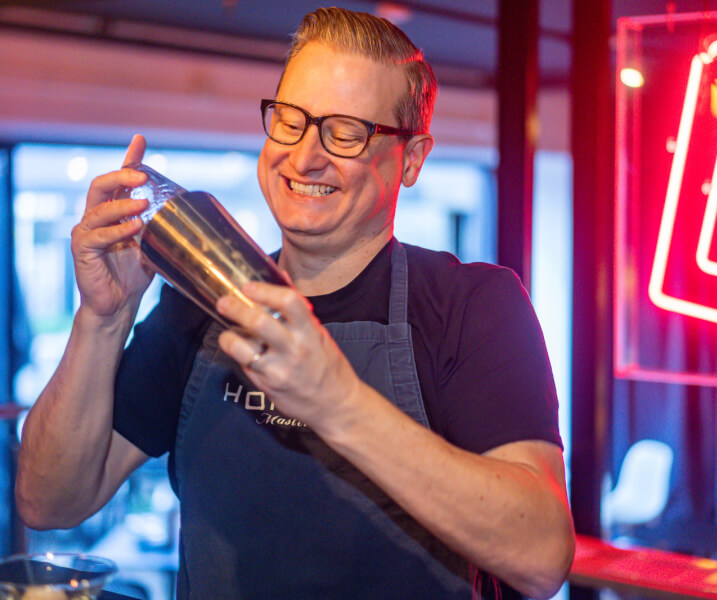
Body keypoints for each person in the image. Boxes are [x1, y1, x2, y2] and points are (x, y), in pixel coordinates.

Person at [16, 7, 574, 599]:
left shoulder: (471, 306)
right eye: (290, 120)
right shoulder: (197, 305)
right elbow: (49, 501)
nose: (305, 156)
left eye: (346, 132)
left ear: (411, 159)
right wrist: (103, 319)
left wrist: (338, 404)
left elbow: (541, 556)